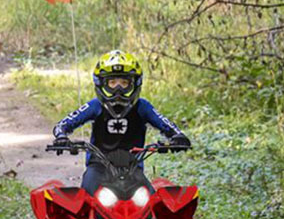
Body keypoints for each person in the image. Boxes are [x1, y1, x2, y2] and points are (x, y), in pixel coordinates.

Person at [52, 50, 191, 196]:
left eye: (124, 83)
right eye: (112, 83)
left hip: (132, 170)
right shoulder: (95, 106)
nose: (118, 89)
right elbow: (62, 125)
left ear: (134, 84)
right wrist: (62, 137)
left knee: (152, 205)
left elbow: (167, 125)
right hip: (98, 168)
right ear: (102, 84)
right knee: (85, 200)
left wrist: (178, 136)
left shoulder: (142, 107)